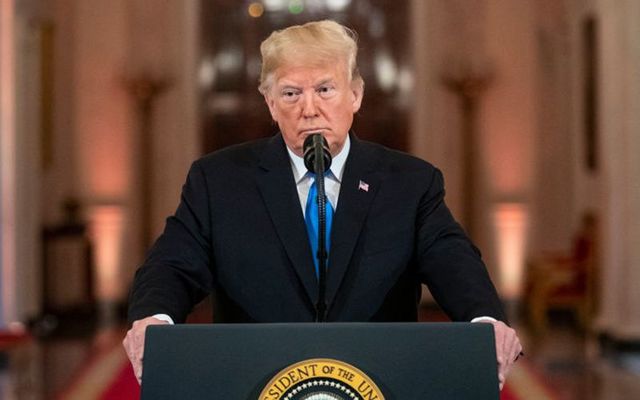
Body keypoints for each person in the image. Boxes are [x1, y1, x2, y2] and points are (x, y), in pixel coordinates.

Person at [123, 20, 522, 390]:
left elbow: (453, 261)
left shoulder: (410, 183)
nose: (309, 108)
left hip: (377, 379)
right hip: (256, 379)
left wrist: (484, 321)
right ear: (270, 104)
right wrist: (154, 319)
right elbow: (173, 263)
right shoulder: (219, 181)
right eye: (291, 93)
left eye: (325, 90)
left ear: (356, 95)